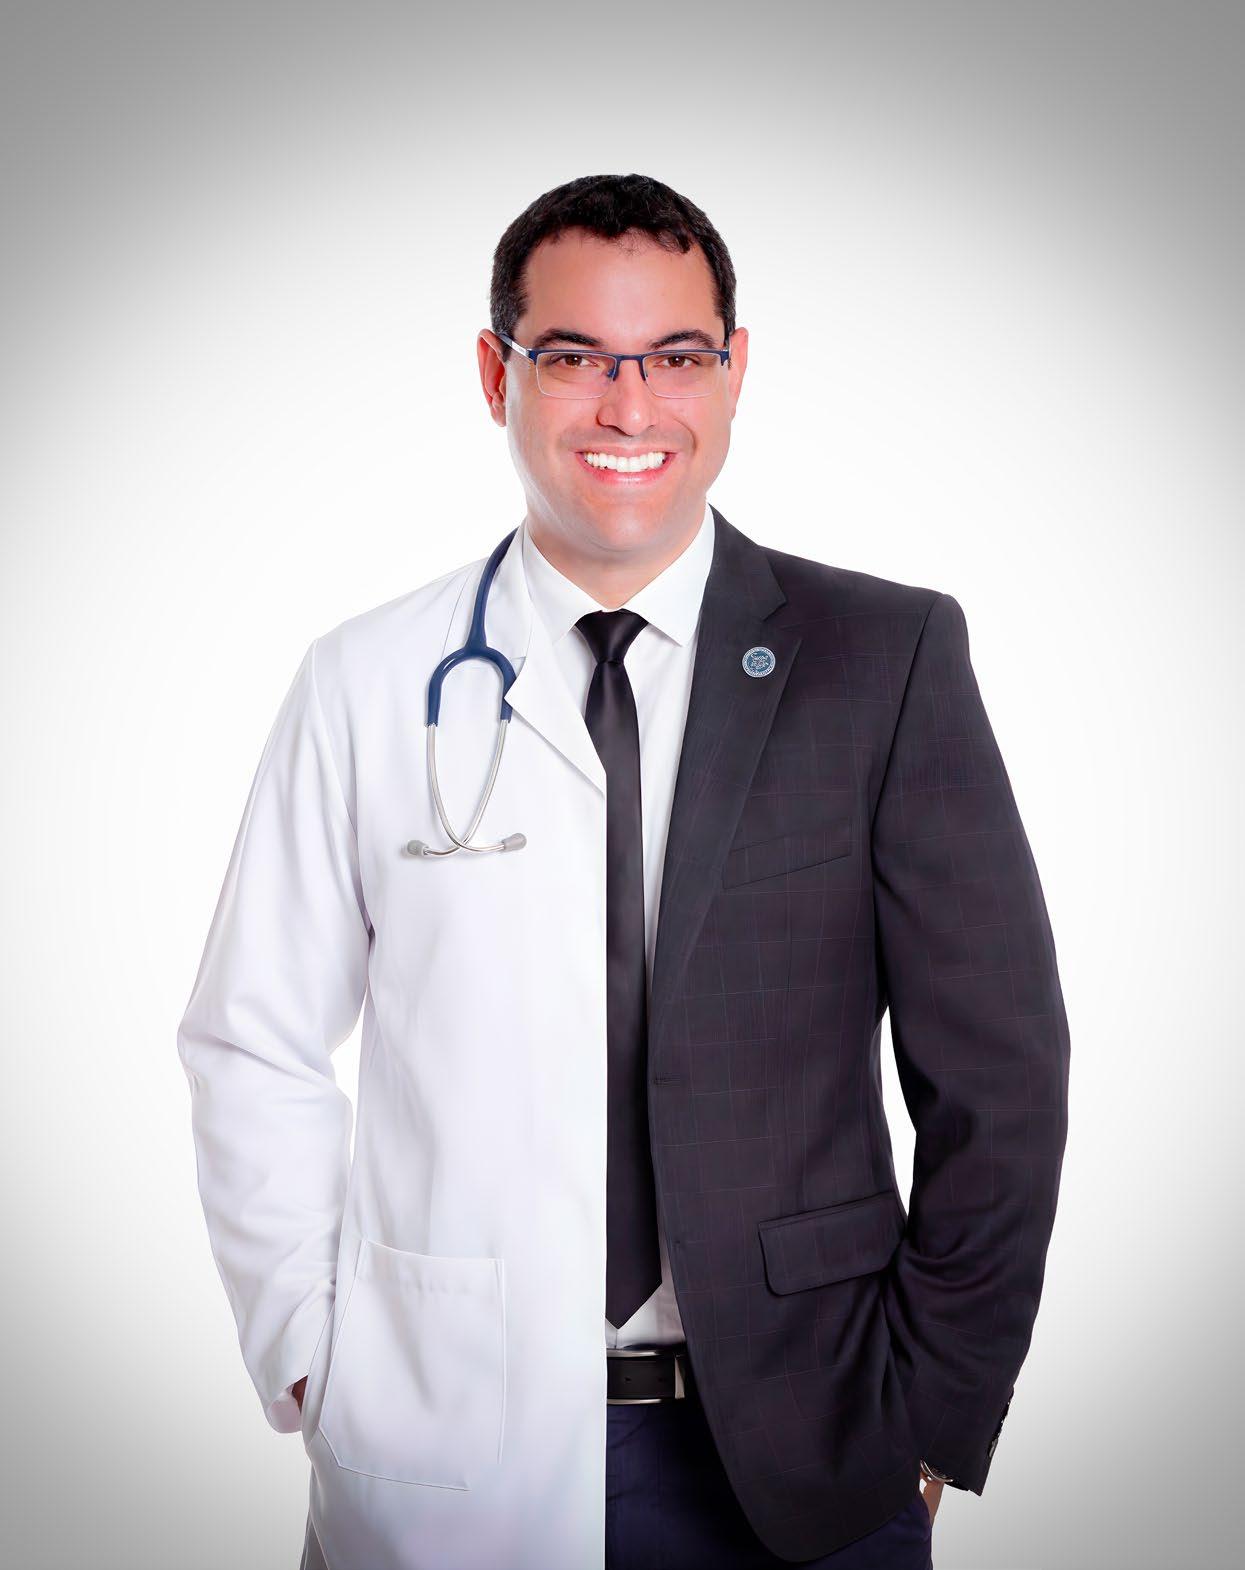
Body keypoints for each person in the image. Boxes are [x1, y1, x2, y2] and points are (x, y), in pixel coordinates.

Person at [177, 172, 1070, 1570]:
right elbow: (253, 1038)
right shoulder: (366, 681)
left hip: (809, 1446)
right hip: (441, 1442)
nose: (630, 405)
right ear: (498, 375)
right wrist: (308, 1350)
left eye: (675, 356)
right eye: (576, 356)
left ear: (735, 370)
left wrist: (935, 1406)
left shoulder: (881, 661)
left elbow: (998, 1074)